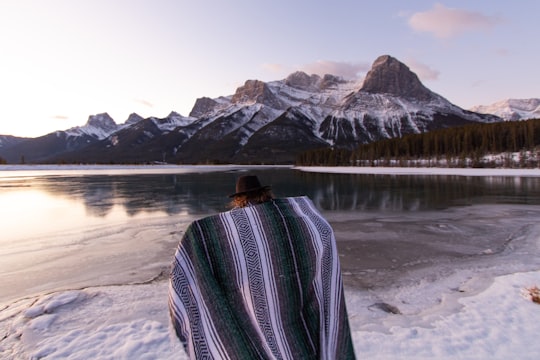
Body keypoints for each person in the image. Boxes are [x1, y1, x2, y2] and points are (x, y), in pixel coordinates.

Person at [168, 175, 356, 359]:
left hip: (256, 311)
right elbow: (321, 231)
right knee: (298, 343)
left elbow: (197, 263)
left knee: (260, 341)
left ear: (239, 199)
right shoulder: (290, 217)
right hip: (293, 306)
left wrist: (194, 240)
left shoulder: (228, 231)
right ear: (265, 193)